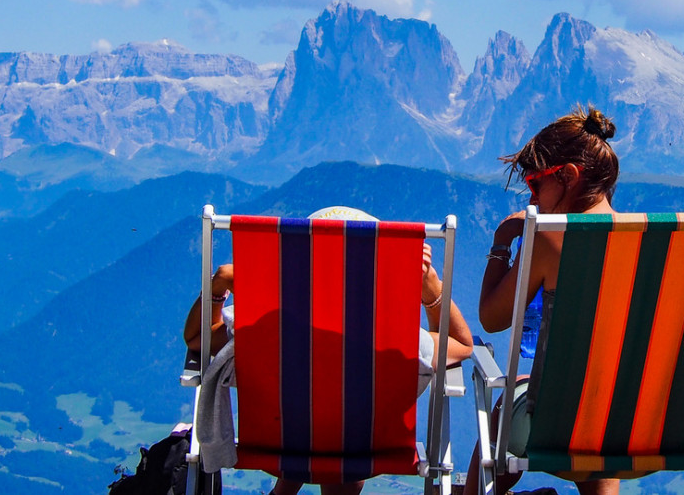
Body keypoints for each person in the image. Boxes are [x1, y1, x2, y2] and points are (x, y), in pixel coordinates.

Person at [182, 206, 474, 495]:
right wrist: (431, 288)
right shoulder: (398, 340)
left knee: (314, 417)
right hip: (361, 453)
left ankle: (284, 489)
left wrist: (218, 284)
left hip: (280, 448)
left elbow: (197, 338)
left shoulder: (264, 327)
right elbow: (461, 345)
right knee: (340, 426)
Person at [466, 105, 621, 495]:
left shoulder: (550, 239)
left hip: (560, 431)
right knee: (604, 410)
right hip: (646, 424)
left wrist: (504, 241)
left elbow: (492, 317)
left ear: (568, 177)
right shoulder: (654, 244)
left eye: (535, 184)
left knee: (506, 407)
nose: (531, 199)